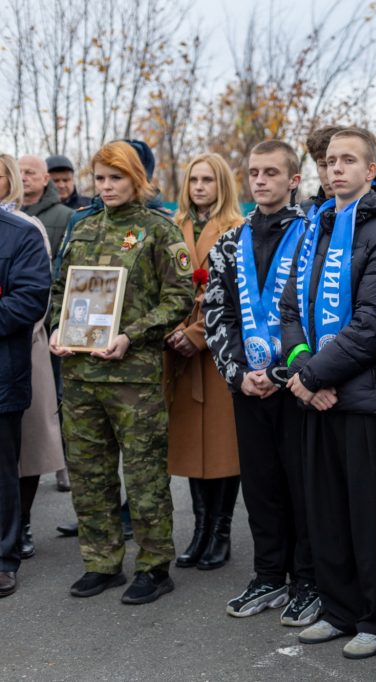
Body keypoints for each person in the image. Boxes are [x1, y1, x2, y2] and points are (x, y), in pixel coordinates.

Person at [278, 127, 376, 657]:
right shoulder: (315, 228)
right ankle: (339, 610)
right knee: (327, 512)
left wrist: (314, 377)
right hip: (317, 396)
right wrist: (303, 371)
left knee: (369, 515)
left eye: (348, 161)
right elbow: (290, 311)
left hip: (366, 401)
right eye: (330, 161)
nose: (335, 169)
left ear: (371, 170)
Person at [49, 140, 193, 604]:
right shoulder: (83, 226)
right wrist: (56, 328)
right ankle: (102, 562)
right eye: (101, 178)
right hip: (79, 375)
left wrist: (132, 334)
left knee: (144, 476)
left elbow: (179, 298)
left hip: (133, 378)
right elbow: (60, 289)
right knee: (89, 475)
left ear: (137, 180)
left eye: (117, 178)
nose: (107, 187)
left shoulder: (158, 229)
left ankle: (153, 567)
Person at [203, 140, 320, 627]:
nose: (261, 180)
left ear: (293, 180)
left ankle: (309, 579)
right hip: (248, 386)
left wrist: (285, 373)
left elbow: (320, 311)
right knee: (261, 485)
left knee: (303, 487)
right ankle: (269, 574)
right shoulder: (230, 242)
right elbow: (217, 312)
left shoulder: (315, 234)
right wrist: (238, 374)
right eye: (254, 172)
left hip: (297, 386)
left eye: (272, 172)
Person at [165, 153, 244, 571]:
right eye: (194, 179)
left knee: (221, 446)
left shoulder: (237, 229)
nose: (199, 187)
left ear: (222, 185)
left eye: (207, 180)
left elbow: (234, 293)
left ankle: (221, 532)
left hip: (219, 352)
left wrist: (197, 333)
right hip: (178, 351)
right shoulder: (172, 227)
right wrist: (175, 330)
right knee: (192, 448)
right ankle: (199, 530)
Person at [0, 157, 57, 577]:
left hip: (10, 364)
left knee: (8, 466)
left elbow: (31, 298)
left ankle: (6, 554)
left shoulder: (23, 231)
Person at [19, 155, 74, 259]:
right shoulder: (5, 212)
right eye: (18, 173)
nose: (22, 178)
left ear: (45, 179)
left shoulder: (68, 216)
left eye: (29, 172)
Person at [300, 125, 345, 217]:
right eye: (323, 165)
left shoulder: (368, 212)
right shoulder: (303, 213)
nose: (330, 173)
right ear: (316, 167)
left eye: (333, 163)